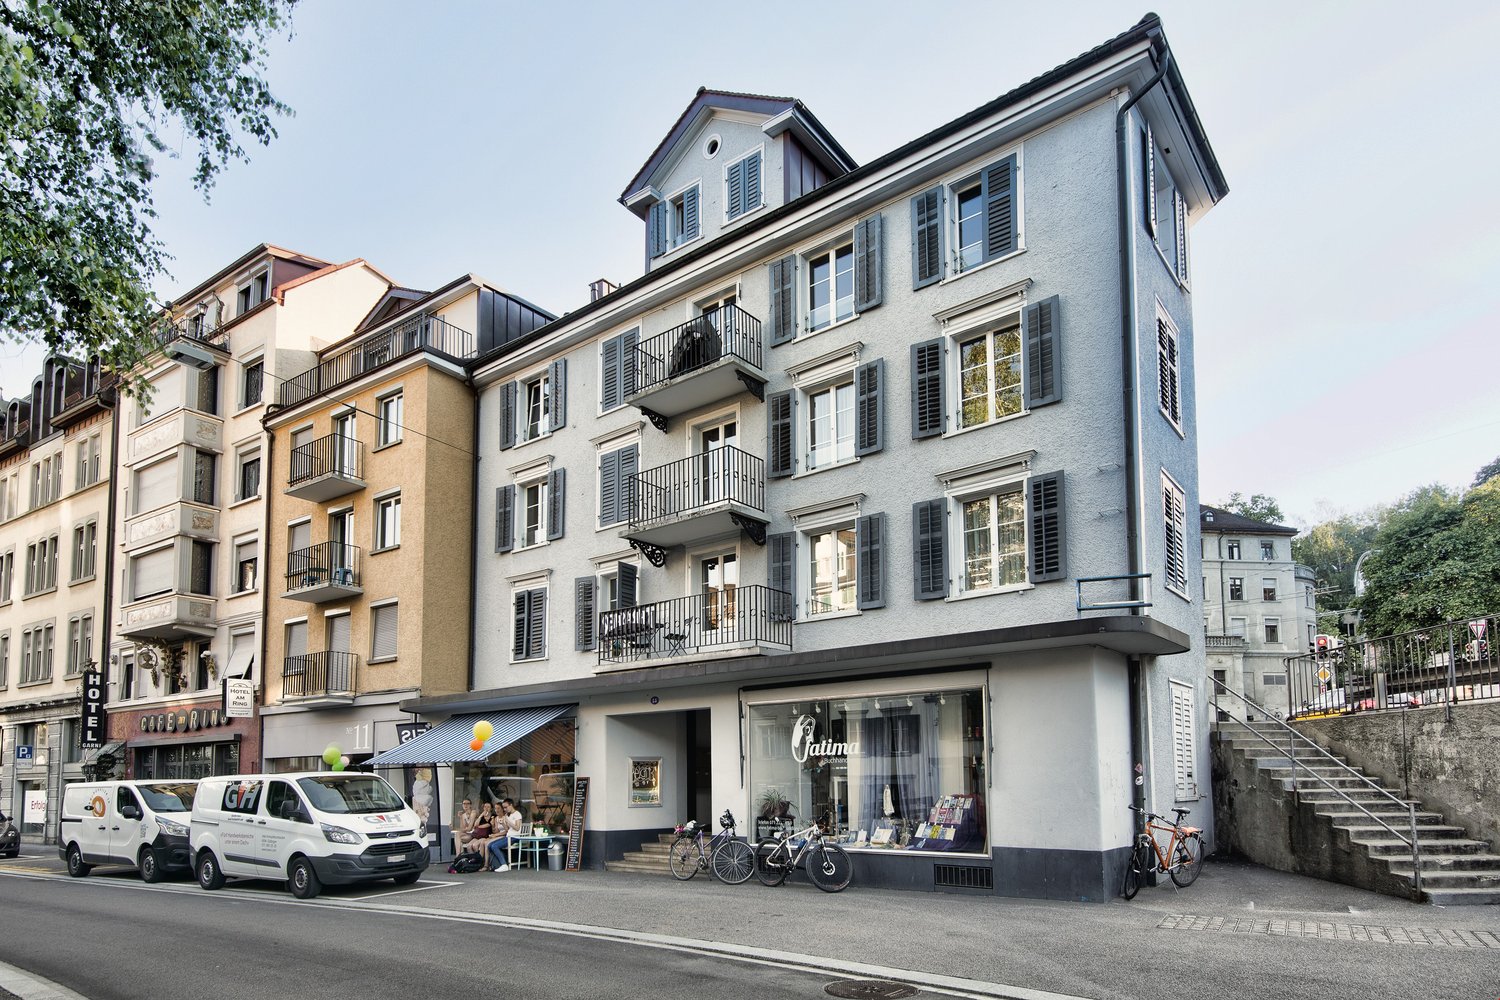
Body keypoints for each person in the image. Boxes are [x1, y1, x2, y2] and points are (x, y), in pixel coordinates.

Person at [487, 798, 523, 873]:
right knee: (490, 845)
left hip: (515, 837)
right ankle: (497, 864)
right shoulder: (507, 815)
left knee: (494, 846)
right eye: (504, 807)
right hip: (508, 836)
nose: (505, 809)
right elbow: (507, 829)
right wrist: (503, 823)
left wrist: (508, 821)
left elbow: (517, 828)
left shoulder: (517, 814)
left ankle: (504, 865)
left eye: (506, 807)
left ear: (511, 805)